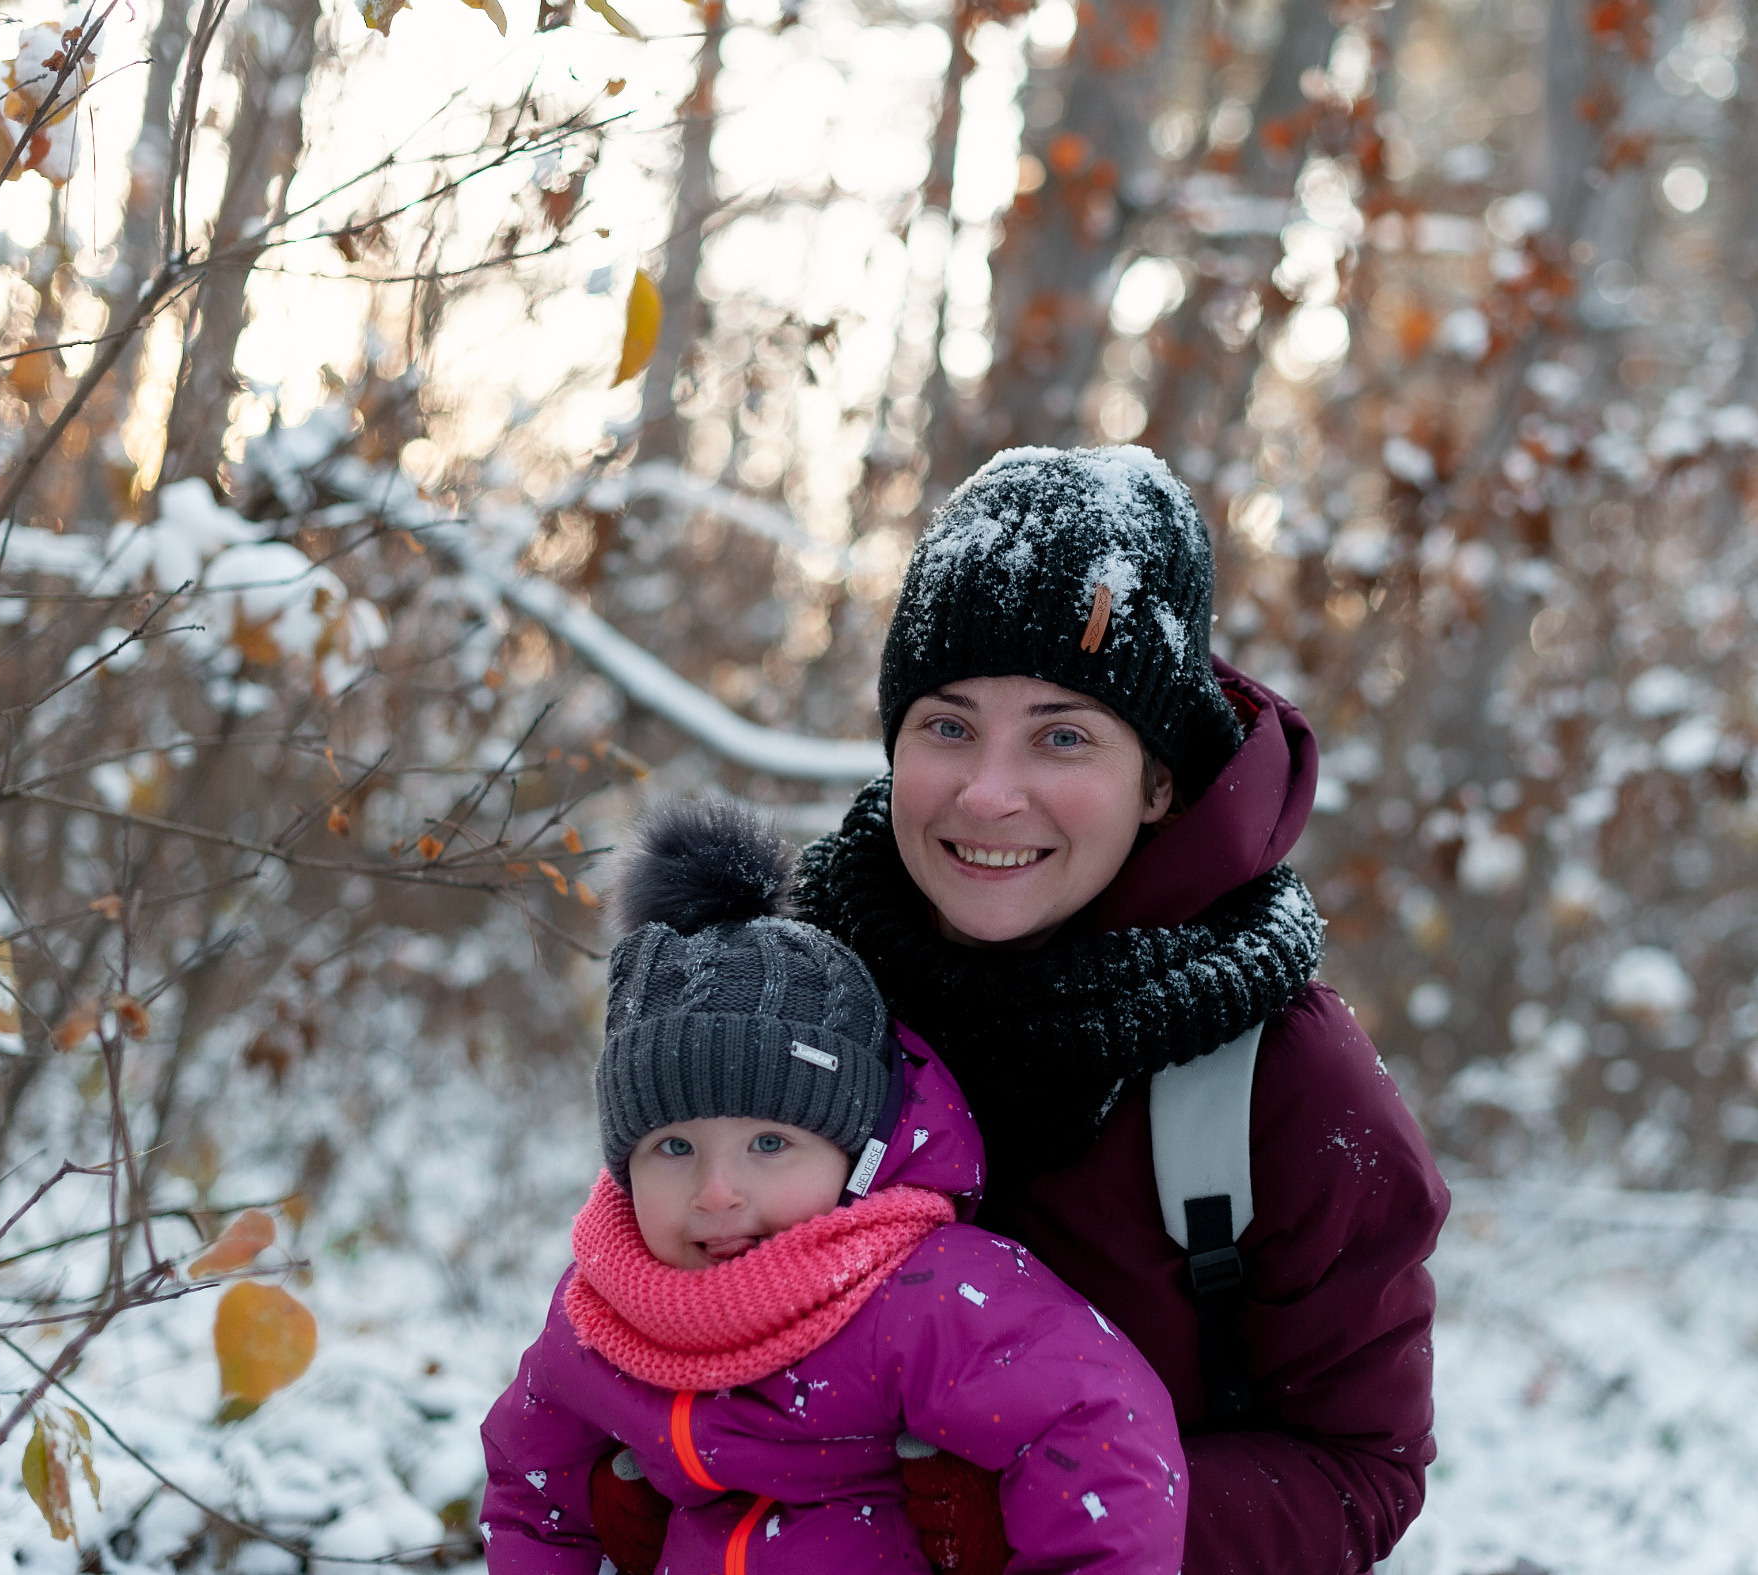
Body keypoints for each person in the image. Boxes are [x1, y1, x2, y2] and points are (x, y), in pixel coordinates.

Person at [792, 445, 1450, 1573]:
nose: (989, 792)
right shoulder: (800, 998)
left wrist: (1057, 1510)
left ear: (1158, 780)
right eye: (948, 725)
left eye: (1063, 735)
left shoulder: (1279, 1077)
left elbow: (1359, 1468)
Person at [478, 799, 1187, 1575]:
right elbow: (528, 1489)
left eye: (769, 1143)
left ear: (854, 1152)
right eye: (674, 1147)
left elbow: (1103, 1429)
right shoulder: (600, 1317)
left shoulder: (923, 1297)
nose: (717, 1191)